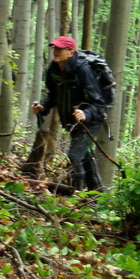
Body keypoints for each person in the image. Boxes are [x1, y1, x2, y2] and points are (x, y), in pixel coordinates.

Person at [31, 35, 106, 191]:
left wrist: (86, 114)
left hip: (89, 122)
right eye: (55, 48)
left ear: (70, 53)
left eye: (60, 49)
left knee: (75, 156)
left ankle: (76, 195)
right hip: (72, 122)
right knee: (85, 158)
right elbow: (53, 93)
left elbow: (99, 103)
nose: (56, 51)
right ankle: (97, 197)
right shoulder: (54, 69)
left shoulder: (83, 70)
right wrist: (43, 107)